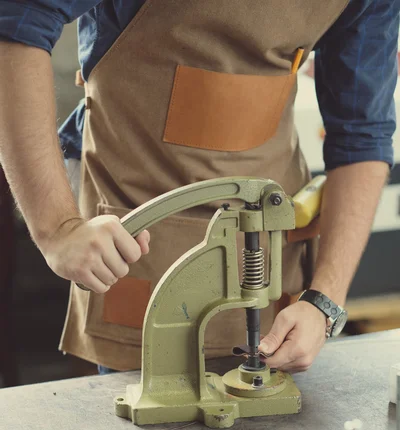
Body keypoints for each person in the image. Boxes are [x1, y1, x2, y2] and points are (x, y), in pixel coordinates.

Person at [0, 1, 397, 375]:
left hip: (276, 273)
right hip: (144, 261)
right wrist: (56, 228)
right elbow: (18, 23)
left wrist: (325, 301)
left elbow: (361, 133)